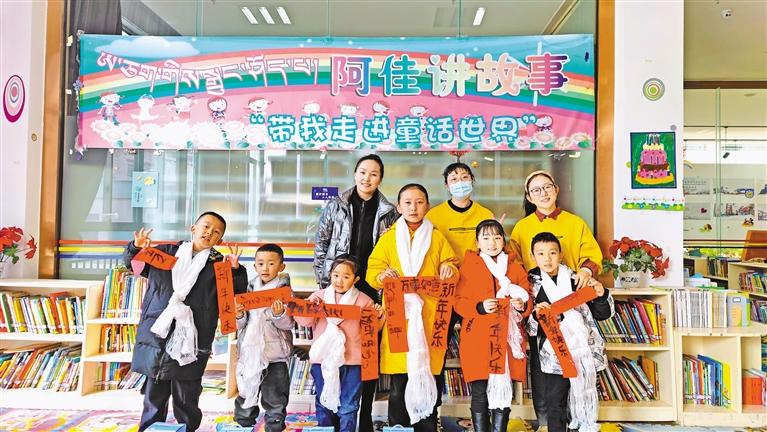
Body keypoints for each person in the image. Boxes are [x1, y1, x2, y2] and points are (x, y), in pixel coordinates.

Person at [125, 212, 248, 432]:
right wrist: (136, 248)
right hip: (159, 331)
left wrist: (236, 271)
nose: (209, 233)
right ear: (193, 228)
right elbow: (132, 266)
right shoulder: (164, 252)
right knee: (154, 395)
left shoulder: (219, 265)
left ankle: (187, 428)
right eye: (206, 226)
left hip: (194, 335)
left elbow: (234, 296)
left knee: (187, 396)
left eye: (216, 232)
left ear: (220, 240)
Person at [509, 170, 603, 432]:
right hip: (539, 300)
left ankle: (578, 416)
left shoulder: (575, 223)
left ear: (556, 190)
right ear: (529, 196)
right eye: (536, 190)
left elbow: (591, 255)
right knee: (542, 365)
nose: (543, 193)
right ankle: (546, 420)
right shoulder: (522, 227)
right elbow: (515, 263)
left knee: (577, 357)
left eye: (547, 187)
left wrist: (586, 271)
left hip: (571, 300)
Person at [313, 153, 398, 432]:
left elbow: (392, 250)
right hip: (337, 286)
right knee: (335, 349)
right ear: (355, 174)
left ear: (380, 179)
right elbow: (321, 244)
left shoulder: (389, 211)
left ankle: (363, 418)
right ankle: (334, 417)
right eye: (362, 172)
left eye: (373, 174)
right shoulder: (336, 205)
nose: (367, 178)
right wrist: (324, 284)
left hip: (371, 288)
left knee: (365, 353)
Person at [367, 183, 459, 432]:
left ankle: (427, 426)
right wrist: (382, 275)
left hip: (430, 316)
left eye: (419, 202)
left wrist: (449, 268)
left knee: (429, 376)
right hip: (399, 315)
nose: (413, 208)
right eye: (407, 202)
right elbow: (373, 270)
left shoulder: (437, 237)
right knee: (399, 382)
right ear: (398, 207)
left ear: (427, 206)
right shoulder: (388, 238)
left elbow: (451, 264)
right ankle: (399, 426)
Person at [526, 232, 613, 432]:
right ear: (533, 256)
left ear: (561, 254)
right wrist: (538, 315)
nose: (547, 259)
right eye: (541, 254)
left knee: (581, 394)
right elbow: (528, 326)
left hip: (581, 348)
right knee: (554, 400)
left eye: (552, 253)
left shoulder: (577, 279)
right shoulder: (530, 284)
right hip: (552, 350)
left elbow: (602, 314)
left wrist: (601, 294)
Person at [426, 162, 495, 406]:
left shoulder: (485, 214)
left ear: (472, 181)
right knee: (437, 348)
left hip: (476, 293)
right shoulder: (433, 216)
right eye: (454, 179)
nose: (460, 183)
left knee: (479, 349)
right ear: (446, 186)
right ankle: (432, 408)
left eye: (465, 177)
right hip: (443, 292)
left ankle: (481, 408)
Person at [454, 220, 533, 432]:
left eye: (497, 237)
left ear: (503, 241)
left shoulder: (515, 268)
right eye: (486, 238)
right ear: (477, 242)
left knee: (503, 390)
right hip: (477, 338)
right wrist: (479, 307)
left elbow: (528, 297)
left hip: (505, 339)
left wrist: (522, 305)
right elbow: (458, 301)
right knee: (480, 391)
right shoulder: (468, 268)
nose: (492, 242)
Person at [295, 255, 385, 432]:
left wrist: (379, 315)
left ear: (356, 279)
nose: (339, 281)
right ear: (330, 274)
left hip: (353, 362)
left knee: (349, 405)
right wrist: (310, 307)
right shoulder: (319, 297)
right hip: (322, 359)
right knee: (323, 402)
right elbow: (304, 321)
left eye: (346, 276)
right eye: (336, 275)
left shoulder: (364, 300)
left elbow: (371, 331)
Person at [233, 244, 294, 430]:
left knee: (275, 399)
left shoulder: (285, 292)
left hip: (275, 355)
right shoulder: (249, 289)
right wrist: (239, 315)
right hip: (249, 352)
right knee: (245, 394)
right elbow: (240, 325)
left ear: (281, 267)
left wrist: (278, 314)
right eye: (260, 263)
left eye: (271, 263)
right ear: (255, 266)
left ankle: (274, 427)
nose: (265, 268)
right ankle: (243, 425)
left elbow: (288, 325)